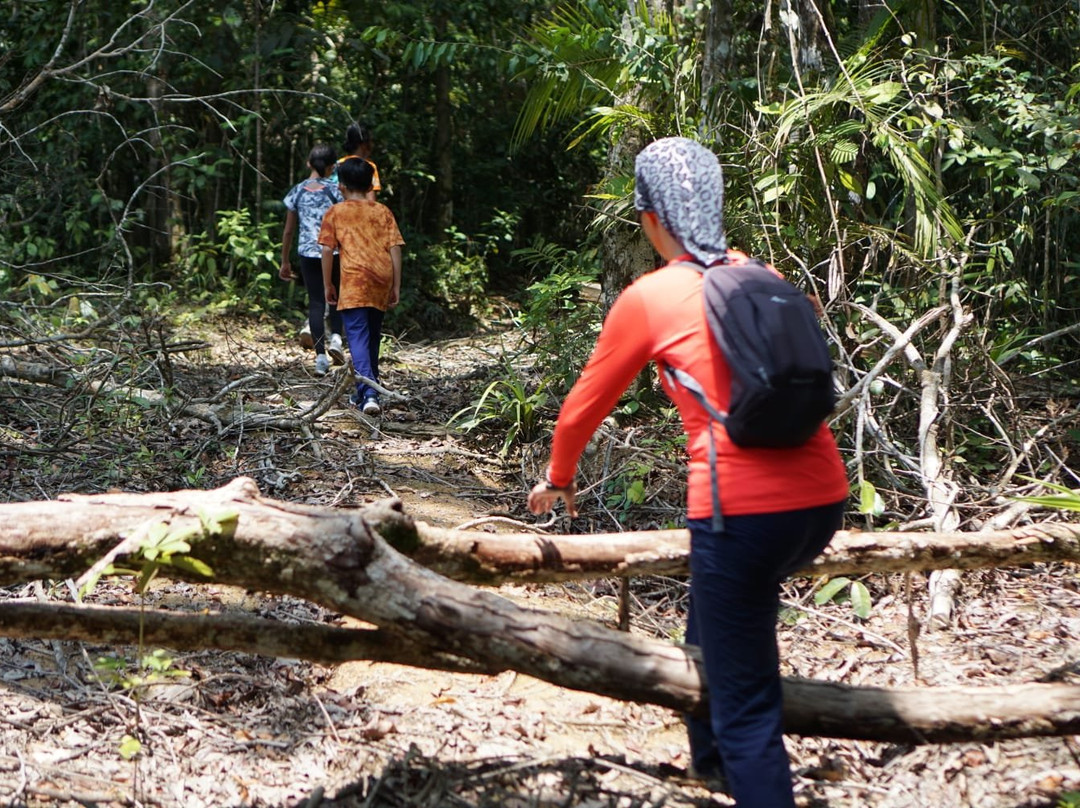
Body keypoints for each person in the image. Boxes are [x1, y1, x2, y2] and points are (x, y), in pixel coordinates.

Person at [527, 137, 848, 808]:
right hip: (822, 498)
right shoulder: (765, 276)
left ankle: (741, 770)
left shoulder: (652, 296)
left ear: (648, 219)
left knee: (749, 707)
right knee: (716, 613)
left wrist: (560, 478)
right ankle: (710, 763)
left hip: (742, 513)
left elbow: (582, 409)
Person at [318, 157, 404, 416]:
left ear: (341, 184)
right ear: (370, 185)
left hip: (354, 280)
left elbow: (325, 249)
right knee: (372, 337)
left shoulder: (336, 212)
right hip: (381, 277)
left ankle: (369, 393)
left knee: (357, 338)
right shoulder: (383, 211)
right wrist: (396, 284)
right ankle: (362, 392)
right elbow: (395, 248)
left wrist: (327, 284)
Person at [279, 143, 346, 376]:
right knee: (336, 295)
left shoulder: (297, 191)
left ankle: (320, 358)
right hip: (335, 252)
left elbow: (288, 230)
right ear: (332, 167)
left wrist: (284, 260)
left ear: (308, 163)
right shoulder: (337, 191)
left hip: (307, 254)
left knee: (316, 302)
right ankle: (336, 339)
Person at [329, 121, 382, 201]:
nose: (372, 145)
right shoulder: (369, 166)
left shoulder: (337, 164)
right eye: (371, 141)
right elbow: (371, 200)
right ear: (363, 144)